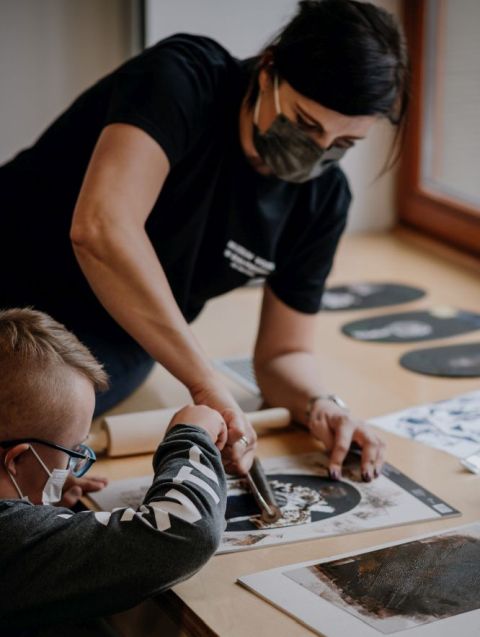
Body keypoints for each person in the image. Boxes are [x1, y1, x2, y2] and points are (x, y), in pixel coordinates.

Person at [0, 0, 408, 479]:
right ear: (268, 69)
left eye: (342, 145)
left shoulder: (322, 200)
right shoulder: (182, 80)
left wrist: (322, 405)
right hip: (13, 268)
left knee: (44, 429)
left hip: (114, 337)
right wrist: (204, 379)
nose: (315, 153)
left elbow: (282, 355)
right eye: (305, 123)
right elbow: (101, 230)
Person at [0, 308, 228, 633]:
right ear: (17, 460)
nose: (75, 464)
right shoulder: (11, 538)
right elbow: (186, 533)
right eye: (73, 451)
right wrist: (192, 437)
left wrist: (37, 489)